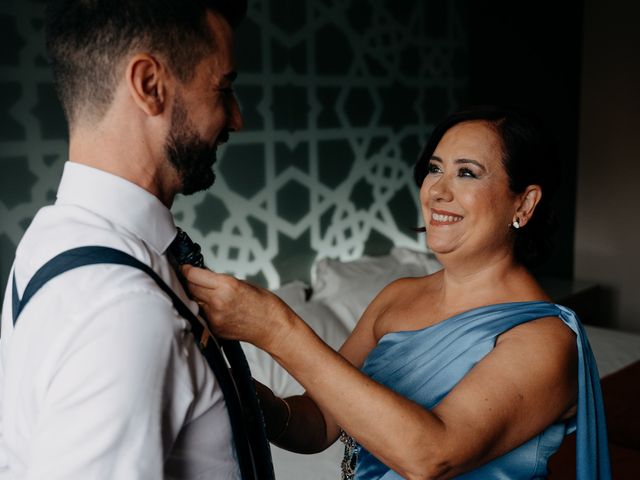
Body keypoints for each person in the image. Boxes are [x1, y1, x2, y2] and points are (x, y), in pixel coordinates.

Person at [182, 105, 612, 479]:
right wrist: (244, 393)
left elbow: (430, 458)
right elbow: (319, 424)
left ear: (524, 203)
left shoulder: (547, 339)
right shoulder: (397, 296)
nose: (437, 191)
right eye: (434, 168)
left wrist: (277, 330)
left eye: (466, 172)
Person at [0, 1, 274, 479]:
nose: (236, 118)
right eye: (223, 88)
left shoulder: (51, 239)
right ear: (149, 85)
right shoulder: (123, 310)